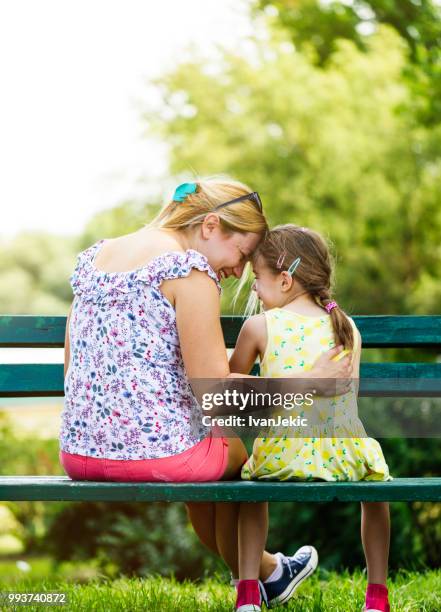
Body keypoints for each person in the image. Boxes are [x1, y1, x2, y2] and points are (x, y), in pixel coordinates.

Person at [59, 180, 352, 611]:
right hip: (158, 458)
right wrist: (311, 381)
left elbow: (72, 367)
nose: (239, 270)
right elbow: (218, 392)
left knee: (207, 458)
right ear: (211, 225)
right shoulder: (189, 270)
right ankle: (260, 577)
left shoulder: (95, 258)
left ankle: (270, 574)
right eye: (242, 253)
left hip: (79, 453)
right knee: (233, 452)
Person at [229, 224, 391, 612]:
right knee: (378, 489)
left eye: (258, 278)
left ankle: (248, 595)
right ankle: (377, 597)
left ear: (285, 281)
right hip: (345, 455)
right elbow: (346, 398)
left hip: (279, 455)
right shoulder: (346, 326)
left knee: (251, 484)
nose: (254, 288)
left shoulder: (259, 327)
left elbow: (227, 385)